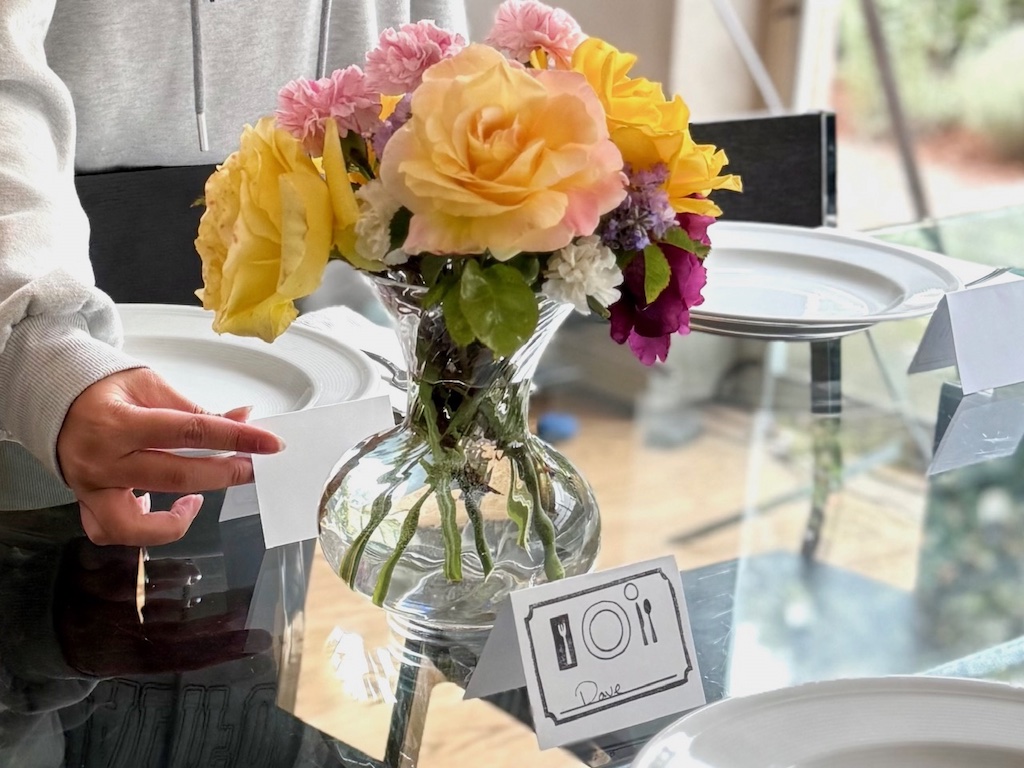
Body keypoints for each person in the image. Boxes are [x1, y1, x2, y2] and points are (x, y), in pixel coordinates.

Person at [0, 0, 468, 546]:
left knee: (253, 616)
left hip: (293, 350)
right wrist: (41, 351)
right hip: (34, 289)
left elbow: (437, 71)